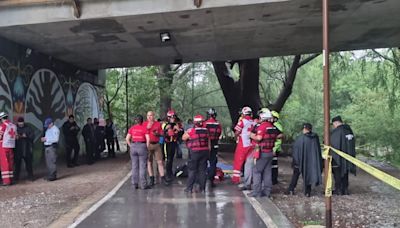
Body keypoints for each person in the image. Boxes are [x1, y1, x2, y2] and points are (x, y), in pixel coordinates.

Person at [248, 110, 283, 197]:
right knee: (267, 172)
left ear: (263, 118)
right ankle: (267, 191)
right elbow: (281, 135)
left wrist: (251, 135)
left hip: (262, 152)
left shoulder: (262, 127)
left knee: (257, 171)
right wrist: (273, 138)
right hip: (270, 152)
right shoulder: (273, 127)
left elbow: (259, 138)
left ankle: (257, 192)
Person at [286, 123, 323, 197]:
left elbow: (295, 150)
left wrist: (295, 161)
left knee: (296, 175)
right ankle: (307, 192)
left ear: (305, 129)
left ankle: (291, 189)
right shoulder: (315, 138)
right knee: (308, 174)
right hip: (311, 161)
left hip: (299, 161)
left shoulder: (300, 138)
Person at [182, 114, 210, 193]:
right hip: (204, 152)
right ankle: (203, 189)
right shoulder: (206, 131)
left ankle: (189, 188)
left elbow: (183, 137)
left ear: (195, 122)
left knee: (192, 170)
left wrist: (186, 132)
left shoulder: (191, 131)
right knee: (202, 171)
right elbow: (208, 143)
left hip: (194, 152)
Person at [331, 115, 356, 195]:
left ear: (336, 123)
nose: (333, 126)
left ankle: (338, 189)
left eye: (333, 124)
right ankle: (345, 189)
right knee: (345, 173)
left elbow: (332, 143)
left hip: (338, 158)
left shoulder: (337, 132)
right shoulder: (348, 130)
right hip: (348, 157)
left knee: (337, 173)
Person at [144, 111, 169, 186]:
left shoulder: (158, 124)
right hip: (148, 144)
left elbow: (162, 133)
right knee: (149, 162)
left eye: (151, 115)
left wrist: (157, 134)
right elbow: (143, 133)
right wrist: (148, 128)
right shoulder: (144, 124)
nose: (149, 117)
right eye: (148, 115)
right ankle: (151, 178)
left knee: (160, 161)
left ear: (153, 116)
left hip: (156, 144)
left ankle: (162, 177)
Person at [126, 115, 150, 190]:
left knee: (134, 166)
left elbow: (127, 138)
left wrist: (131, 146)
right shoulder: (144, 128)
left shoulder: (132, 128)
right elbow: (148, 139)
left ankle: (134, 184)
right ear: (142, 121)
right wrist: (146, 147)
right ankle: (143, 185)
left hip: (133, 146)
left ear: (136, 120)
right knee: (142, 166)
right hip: (142, 146)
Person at [232, 106, 255, 184]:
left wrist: (235, 137)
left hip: (242, 144)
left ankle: (236, 179)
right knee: (249, 163)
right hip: (251, 144)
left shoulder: (242, 121)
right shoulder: (254, 122)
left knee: (238, 161)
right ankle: (249, 180)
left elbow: (237, 132)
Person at [204, 108, 222, 187]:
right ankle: (211, 180)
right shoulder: (218, 124)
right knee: (213, 162)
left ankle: (202, 180)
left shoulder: (205, 124)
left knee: (203, 162)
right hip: (215, 144)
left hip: (205, 145)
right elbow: (219, 133)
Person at [163, 110, 183, 179]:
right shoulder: (166, 124)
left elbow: (181, 133)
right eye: (171, 117)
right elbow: (164, 133)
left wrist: (178, 130)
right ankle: (168, 173)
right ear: (168, 118)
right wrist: (168, 130)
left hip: (174, 143)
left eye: (174, 117)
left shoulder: (176, 124)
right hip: (168, 143)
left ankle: (170, 172)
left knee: (171, 158)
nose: (173, 118)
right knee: (168, 159)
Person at [15, 117, 34, 181]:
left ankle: (31, 177)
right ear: (17, 122)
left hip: (27, 149)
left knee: (28, 164)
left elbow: (32, 136)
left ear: (23, 122)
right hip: (18, 149)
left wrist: (26, 136)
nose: (20, 124)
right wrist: (16, 137)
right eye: (19, 123)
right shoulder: (15, 128)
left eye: (21, 123)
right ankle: (16, 177)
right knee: (17, 165)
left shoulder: (28, 128)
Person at [0, 112, 17, 186]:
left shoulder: (3, 125)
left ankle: (6, 181)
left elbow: (0, 135)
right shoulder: (13, 125)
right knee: (10, 162)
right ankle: (11, 179)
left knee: (4, 163)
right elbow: (15, 136)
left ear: (1, 118)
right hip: (11, 146)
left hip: (3, 146)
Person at [271, 111, 283, 185]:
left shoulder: (277, 126)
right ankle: (273, 179)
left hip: (275, 148)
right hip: (274, 148)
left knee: (274, 165)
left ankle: (274, 180)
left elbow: (279, 138)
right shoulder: (274, 125)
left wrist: (274, 149)